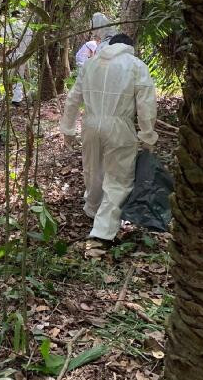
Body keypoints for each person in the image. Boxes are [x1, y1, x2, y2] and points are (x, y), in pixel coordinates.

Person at [59, 33, 158, 242]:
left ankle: (93, 210)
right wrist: (148, 136)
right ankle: (102, 232)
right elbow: (146, 105)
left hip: (91, 124)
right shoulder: (136, 65)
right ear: (130, 47)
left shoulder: (91, 64)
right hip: (119, 126)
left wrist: (68, 129)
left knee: (93, 169)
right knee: (119, 178)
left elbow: (73, 98)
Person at [0, 11, 34, 105]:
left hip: (8, 55)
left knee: (4, 75)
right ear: (20, 17)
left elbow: (2, 43)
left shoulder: (6, 28)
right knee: (19, 76)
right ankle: (16, 99)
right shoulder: (27, 28)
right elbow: (29, 43)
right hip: (21, 55)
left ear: (11, 16)